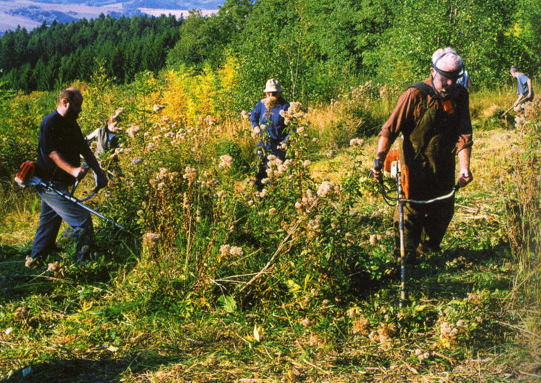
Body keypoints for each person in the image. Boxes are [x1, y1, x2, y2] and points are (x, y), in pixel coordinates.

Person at [371, 47, 474, 264]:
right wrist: (379, 159)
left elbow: (464, 135)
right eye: (446, 79)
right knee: (411, 211)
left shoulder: (460, 96)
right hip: (414, 165)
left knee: (443, 210)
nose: (450, 84)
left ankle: (429, 251)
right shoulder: (415, 95)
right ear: (433, 72)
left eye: (455, 78)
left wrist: (465, 167)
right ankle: (405, 257)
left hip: (444, 164)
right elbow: (390, 129)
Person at [26, 88, 108, 268]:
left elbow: (85, 150)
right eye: (76, 107)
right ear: (64, 103)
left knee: (49, 220)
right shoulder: (49, 123)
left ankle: (37, 259)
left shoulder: (72, 123)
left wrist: (99, 173)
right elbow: (52, 154)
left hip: (59, 183)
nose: (79, 111)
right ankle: (84, 264)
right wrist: (73, 170)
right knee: (81, 218)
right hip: (48, 184)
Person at [250, 79, 290, 190]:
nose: (271, 95)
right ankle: (260, 196)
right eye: (268, 93)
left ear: (279, 93)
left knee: (276, 174)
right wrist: (256, 127)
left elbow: (292, 128)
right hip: (263, 143)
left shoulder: (285, 106)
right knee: (259, 170)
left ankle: (276, 196)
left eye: (274, 93)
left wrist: (285, 142)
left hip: (278, 145)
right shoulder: (261, 104)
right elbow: (253, 116)